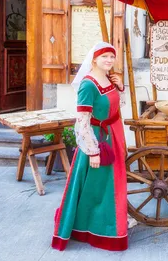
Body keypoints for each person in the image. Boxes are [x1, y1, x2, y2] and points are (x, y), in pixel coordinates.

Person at [52, 41, 128, 251]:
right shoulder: (88, 84)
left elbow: (116, 106)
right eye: (105, 57)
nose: (109, 60)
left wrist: (120, 87)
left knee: (109, 185)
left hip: (112, 135)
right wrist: (93, 151)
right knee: (98, 188)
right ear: (94, 58)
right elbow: (82, 120)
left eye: (112, 57)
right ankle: (97, 230)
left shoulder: (108, 79)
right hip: (97, 140)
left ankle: (111, 222)